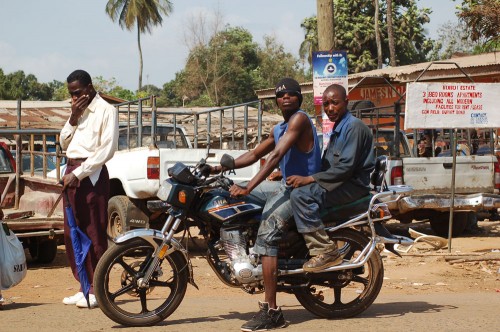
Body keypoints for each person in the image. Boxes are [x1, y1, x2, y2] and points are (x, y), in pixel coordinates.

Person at [211, 78, 321, 331]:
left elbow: (276, 156)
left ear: (299, 98)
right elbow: (253, 154)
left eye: (291, 95)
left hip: (303, 189)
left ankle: (272, 312)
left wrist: (249, 186)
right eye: (281, 96)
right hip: (286, 185)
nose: (285, 98)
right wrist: (218, 166)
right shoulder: (279, 128)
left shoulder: (299, 120)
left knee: (267, 235)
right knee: (228, 194)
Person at [287, 83, 375, 272]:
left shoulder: (353, 128)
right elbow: (328, 166)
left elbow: (345, 167)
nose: (330, 109)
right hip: (340, 183)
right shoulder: (338, 129)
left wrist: (310, 180)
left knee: (301, 196)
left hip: (352, 187)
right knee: (294, 191)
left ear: (346, 102)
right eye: (325, 104)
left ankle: (325, 250)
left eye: (334, 103)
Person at [59, 70, 119, 309]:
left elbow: (107, 149)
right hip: (70, 172)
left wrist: (79, 174)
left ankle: (97, 289)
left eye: (77, 93)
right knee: (71, 233)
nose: (74, 98)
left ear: (89, 88)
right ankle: (83, 286)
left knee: (93, 231)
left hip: (89, 176)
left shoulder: (106, 110)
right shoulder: (76, 111)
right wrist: (73, 117)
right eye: (71, 94)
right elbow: (63, 142)